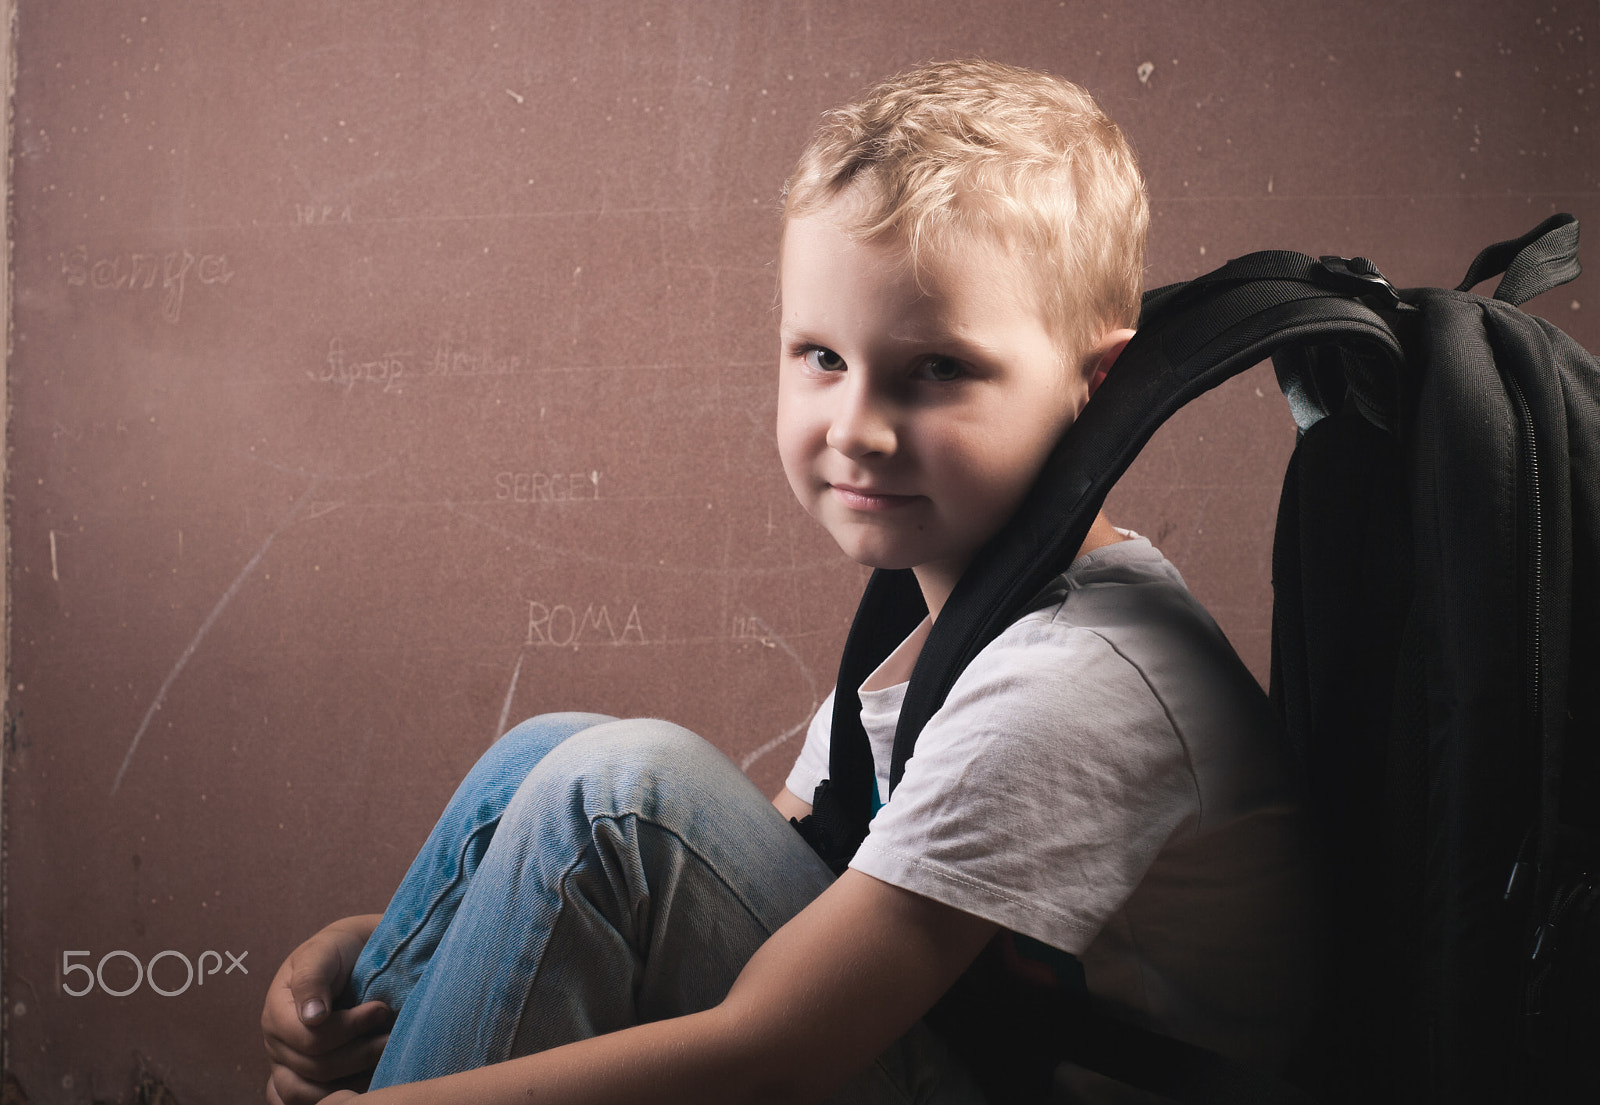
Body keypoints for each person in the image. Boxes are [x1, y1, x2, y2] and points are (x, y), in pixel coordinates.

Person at [260, 59, 1320, 1105]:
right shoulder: (948, 608)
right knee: (549, 758)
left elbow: (773, 1052)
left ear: (1094, 383)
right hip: (961, 1054)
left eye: (938, 368)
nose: (855, 427)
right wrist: (390, 943)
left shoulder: (1077, 678)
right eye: (820, 355)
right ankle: (368, 1036)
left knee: (617, 799)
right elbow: (744, 869)